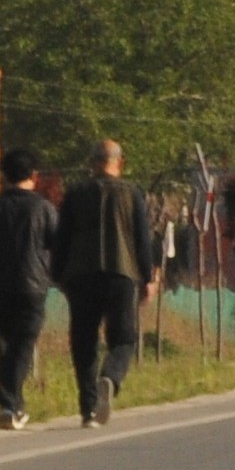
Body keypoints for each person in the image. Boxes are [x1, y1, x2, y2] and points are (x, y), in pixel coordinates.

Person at [52, 134, 165, 426]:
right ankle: (111, 377)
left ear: (92, 164)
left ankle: (88, 408)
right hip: (121, 274)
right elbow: (143, 238)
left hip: (80, 276)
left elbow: (61, 239)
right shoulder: (133, 193)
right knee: (123, 338)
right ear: (120, 163)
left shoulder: (76, 193)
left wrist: (58, 275)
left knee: (84, 342)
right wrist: (148, 276)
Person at [0, 148, 58, 429]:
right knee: (21, 345)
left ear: (3, 175)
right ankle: (10, 404)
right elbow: (58, 246)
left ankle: (10, 402)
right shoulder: (43, 208)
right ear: (34, 176)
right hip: (31, 287)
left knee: (7, 345)